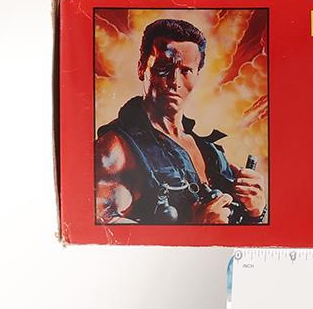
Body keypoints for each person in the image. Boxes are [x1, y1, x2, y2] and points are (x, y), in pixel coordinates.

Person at [95, 18, 266, 224]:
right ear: (142, 69)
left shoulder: (208, 151)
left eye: (186, 71)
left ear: (197, 76)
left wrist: (256, 210)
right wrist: (194, 229)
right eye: (163, 68)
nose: (174, 82)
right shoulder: (115, 148)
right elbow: (103, 229)